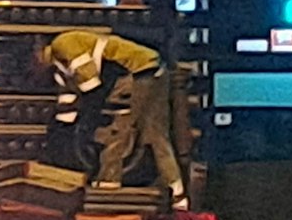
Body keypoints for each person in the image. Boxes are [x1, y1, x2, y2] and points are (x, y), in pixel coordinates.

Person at [40, 29, 186, 208]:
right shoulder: (60, 68)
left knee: (122, 125)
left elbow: (92, 86)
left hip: (137, 69)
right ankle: (178, 196)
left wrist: (89, 120)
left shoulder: (62, 45)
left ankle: (109, 183)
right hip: (147, 68)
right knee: (154, 134)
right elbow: (67, 107)